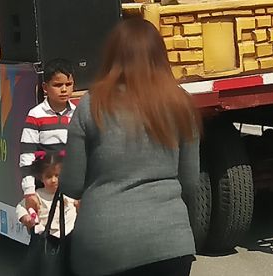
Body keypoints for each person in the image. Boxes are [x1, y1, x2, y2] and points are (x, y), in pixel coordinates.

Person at [64, 17, 199, 276]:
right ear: (160, 56)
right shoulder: (181, 102)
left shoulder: (91, 104)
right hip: (171, 243)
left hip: (104, 245)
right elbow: (190, 182)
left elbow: (72, 185)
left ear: (113, 55)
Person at [19, 59, 77, 216]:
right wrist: (29, 191)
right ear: (45, 87)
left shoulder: (77, 114)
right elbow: (27, 155)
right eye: (58, 85)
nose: (64, 89)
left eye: (68, 84)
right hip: (44, 188)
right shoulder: (36, 115)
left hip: (71, 187)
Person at [16, 151, 78, 238]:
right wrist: (26, 218)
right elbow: (21, 207)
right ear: (41, 178)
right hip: (47, 236)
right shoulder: (38, 195)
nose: (53, 180)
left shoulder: (70, 192)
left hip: (69, 234)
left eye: (57, 175)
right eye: (49, 177)